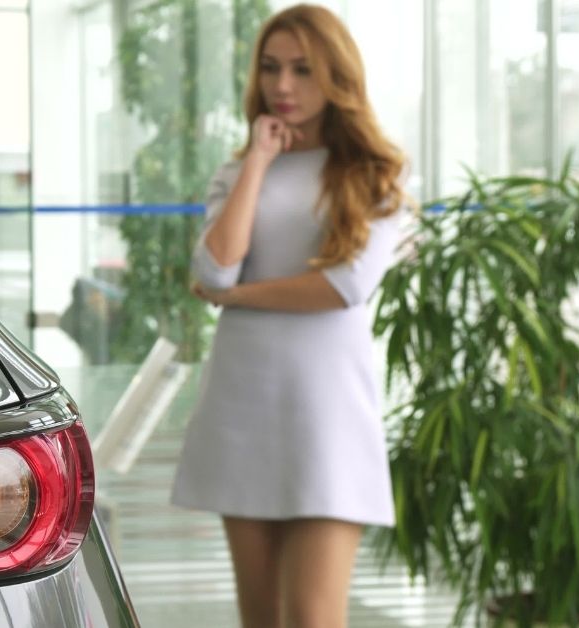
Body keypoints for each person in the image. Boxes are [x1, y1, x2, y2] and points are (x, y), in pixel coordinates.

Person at [169, 4, 411, 627]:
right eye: (272, 68)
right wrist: (257, 161)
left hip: (328, 415)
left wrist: (237, 299)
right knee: (261, 619)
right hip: (243, 406)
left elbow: (344, 287)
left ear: (335, 76)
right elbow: (216, 269)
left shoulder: (375, 174)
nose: (283, 85)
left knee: (312, 617)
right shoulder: (237, 172)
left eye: (303, 70)